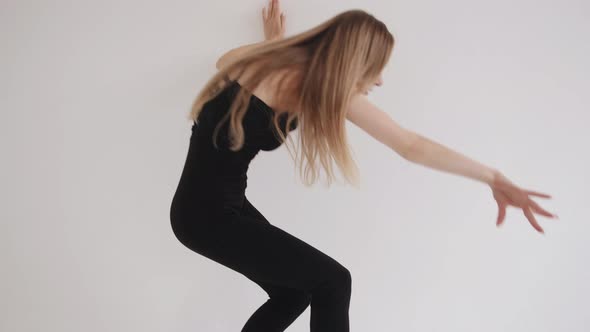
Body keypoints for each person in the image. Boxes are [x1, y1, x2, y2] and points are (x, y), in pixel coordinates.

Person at [169, 1, 558, 331]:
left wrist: (491, 176)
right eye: (375, 67)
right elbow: (410, 145)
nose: (381, 79)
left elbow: (410, 144)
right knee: (333, 282)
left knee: (294, 293)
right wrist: (273, 48)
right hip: (205, 218)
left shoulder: (302, 82)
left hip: (220, 208)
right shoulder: (284, 76)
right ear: (352, 61)